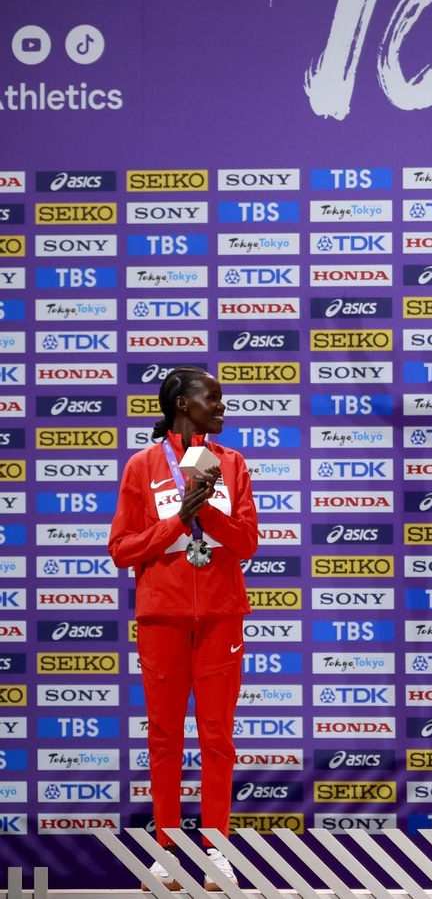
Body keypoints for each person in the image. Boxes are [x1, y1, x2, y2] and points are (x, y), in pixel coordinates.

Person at [109, 367, 258, 890]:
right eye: (212, 400)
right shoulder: (143, 466)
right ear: (181, 404)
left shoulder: (233, 464)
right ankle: (167, 848)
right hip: (161, 617)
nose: (222, 408)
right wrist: (177, 520)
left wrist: (208, 516)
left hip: (220, 616)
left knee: (217, 738)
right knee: (166, 738)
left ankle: (217, 847)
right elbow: (121, 549)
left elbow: (248, 543)